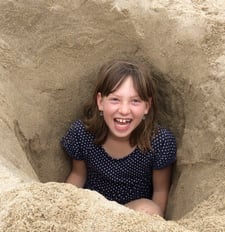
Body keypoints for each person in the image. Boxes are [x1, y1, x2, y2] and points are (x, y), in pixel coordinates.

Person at [61, 59, 176, 217]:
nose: (124, 110)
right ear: (100, 102)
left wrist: (158, 222)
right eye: (115, 99)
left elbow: (160, 190)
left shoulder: (159, 142)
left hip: (132, 214)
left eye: (135, 101)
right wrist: (63, 204)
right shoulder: (82, 133)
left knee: (149, 209)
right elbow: (78, 175)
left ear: (147, 107)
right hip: (91, 210)